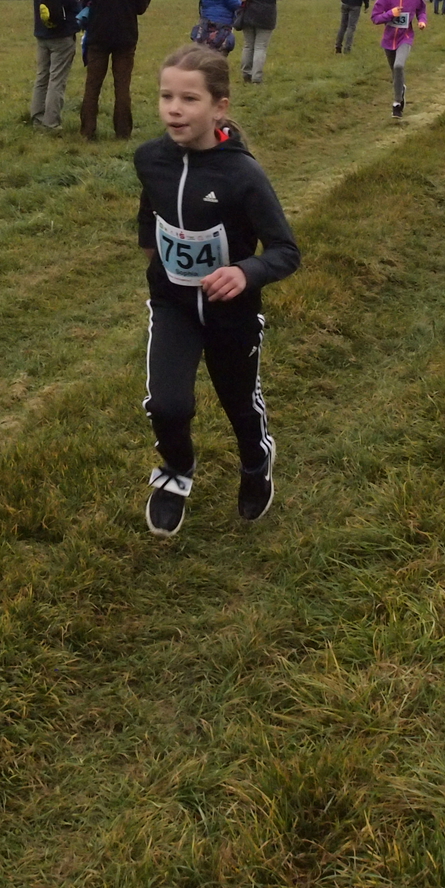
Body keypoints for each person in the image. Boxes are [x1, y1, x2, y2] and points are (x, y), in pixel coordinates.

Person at [134, 44, 300, 538]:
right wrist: (157, 261)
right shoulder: (150, 159)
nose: (174, 109)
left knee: (238, 403)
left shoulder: (242, 174)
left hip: (232, 314)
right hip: (174, 307)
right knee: (166, 405)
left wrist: (247, 272)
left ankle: (255, 461)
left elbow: (285, 250)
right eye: (166, 96)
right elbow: (150, 214)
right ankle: (176, 472)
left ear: (219, 106)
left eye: (189, 99)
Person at [77, 0, 153, 140]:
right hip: (125, 37)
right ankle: (122, 132)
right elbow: (141, 7)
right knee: (122, 86)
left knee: (93, 84)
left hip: (97, 35)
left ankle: (87, 130)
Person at [29, 0, 79, 129]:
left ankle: (37, 117)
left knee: (42, 77)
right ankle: (51, 123)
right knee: (57, 80)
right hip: (61, 32)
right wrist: (81, 13)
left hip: (42, 30)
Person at [370, 0, 429, 120]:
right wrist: (390, 14)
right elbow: (375, 18)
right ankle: (400, 89)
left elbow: (422, 10)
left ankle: (397, 104)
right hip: (389, 40)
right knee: (395, 73)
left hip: (405, 38)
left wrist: (422, 21)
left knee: (398, 66)